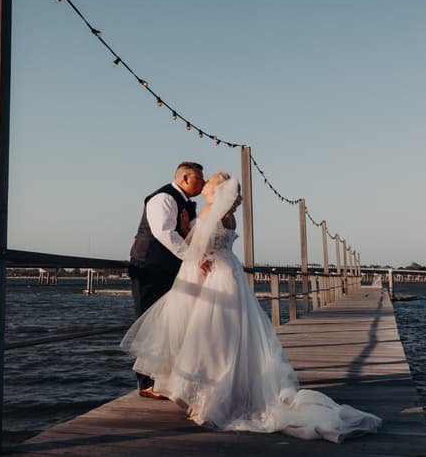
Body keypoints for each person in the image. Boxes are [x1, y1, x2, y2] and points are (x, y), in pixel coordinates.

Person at [121, 172, 381, 442]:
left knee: (213, 338)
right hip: (230, 273)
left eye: (208, 182)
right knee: (233, 336)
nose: (204, 185)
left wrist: (187, 229)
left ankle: (214, 400)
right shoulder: (229, 215)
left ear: (216, 190)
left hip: (216, 276)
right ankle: (234, 391)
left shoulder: (211, 209)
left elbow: (199, 247)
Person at [127, 161, 204, 399]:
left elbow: (184, 232)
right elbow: (164, 233)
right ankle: (146, 383)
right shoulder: (164, 198)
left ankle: (163, 377)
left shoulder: (185, 203)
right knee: (148, 322)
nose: (203, 183)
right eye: (199, 180)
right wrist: (193, 258)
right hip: (149, 268)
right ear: (184, 178)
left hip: (170, 269)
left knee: (168, 324)